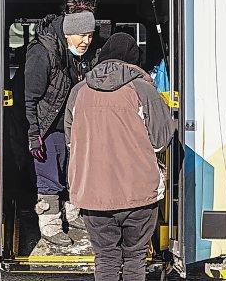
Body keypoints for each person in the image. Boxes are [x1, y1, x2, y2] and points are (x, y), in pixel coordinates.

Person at [64, 32, 174, 280]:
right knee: (135, 258)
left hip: (93, 194)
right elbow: (161, 140)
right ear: (135, 60)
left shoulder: (79, 91)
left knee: (105, 258)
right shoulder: (143, 89)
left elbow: (71, 141)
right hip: (139, 193)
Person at [24, 0, 98, 245]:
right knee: (49, 177)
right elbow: (30, 98)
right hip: (48, 128)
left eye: (90, 35)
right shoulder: (42, 52)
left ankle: (72, 214)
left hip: (71, 125)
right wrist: (34, 134)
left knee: (72, 173)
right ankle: (50, 224)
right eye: (81, 36)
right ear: (68, 32)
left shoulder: (78, 54)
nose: (86, 41)